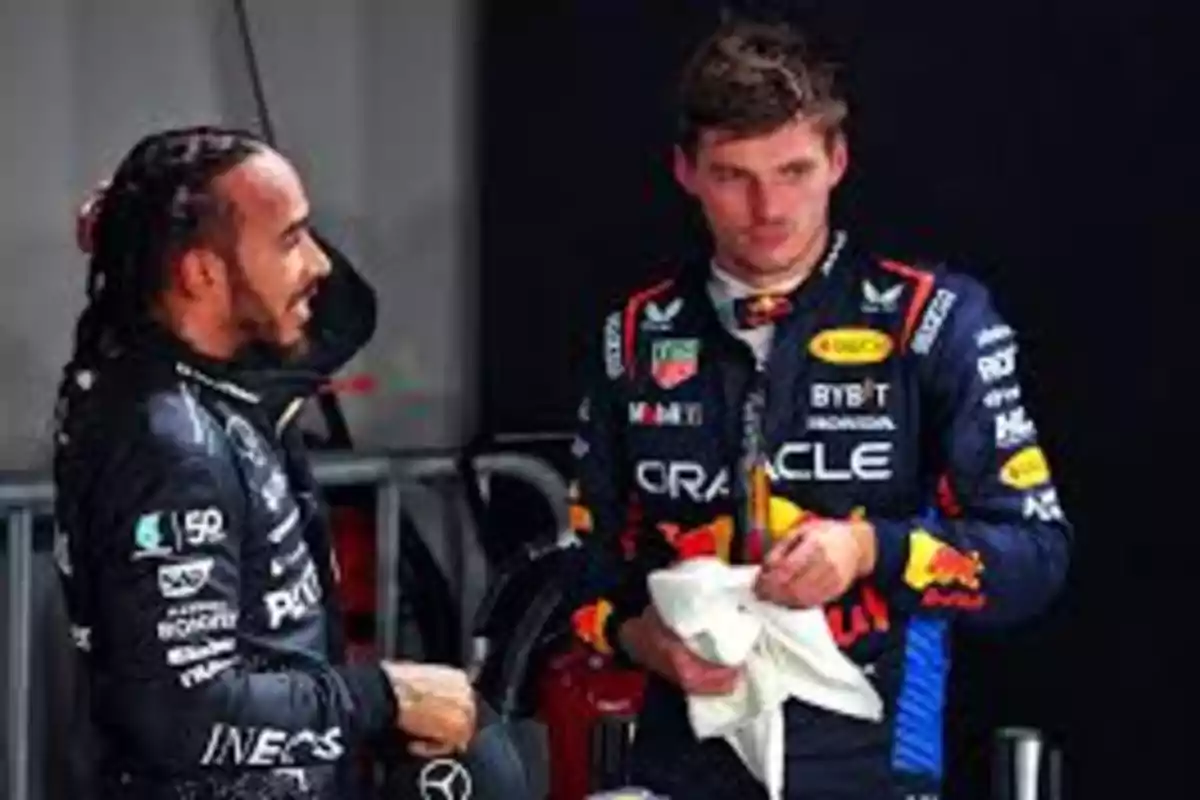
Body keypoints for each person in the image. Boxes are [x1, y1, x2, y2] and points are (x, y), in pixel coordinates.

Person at [567, 17, 1073, 800]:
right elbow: (585, 572)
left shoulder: (932, 324)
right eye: (734, 175)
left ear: (837, 161)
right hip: (681, 765)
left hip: (877, 766)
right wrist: (646, 640)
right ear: (686, 172)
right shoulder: (633, 338)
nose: (767, 207)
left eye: (794, 170)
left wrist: (870, 550)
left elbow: (1034, 558)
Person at [52, 125, 476, 799]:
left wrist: (147, 219)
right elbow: (178, 715)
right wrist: (383, 698)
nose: (318, 263)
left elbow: (346, 313)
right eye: (289, 240)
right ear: (201, 272)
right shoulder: (169, 438)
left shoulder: (227, 371)